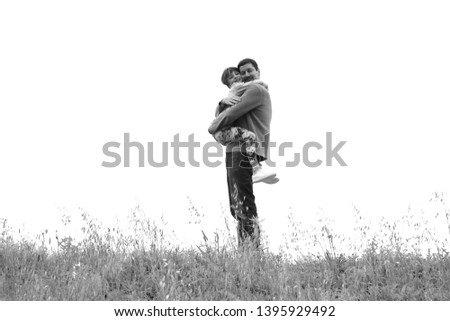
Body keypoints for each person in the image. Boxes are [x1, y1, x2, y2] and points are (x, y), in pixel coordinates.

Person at [208, 58, 273, 248]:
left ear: (258, 72)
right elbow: (225, 110)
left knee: (244, 203)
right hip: (235, 149)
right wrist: (221, 102)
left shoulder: (256, 90)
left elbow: (231, 114)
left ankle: (250, 254)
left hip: (244, 151)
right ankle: (245, 254)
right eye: (241, 72)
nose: (245, 75)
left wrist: (212, 127)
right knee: (237, 204)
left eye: (249, 71)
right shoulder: (243, 90)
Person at [213, 67, 278, 184]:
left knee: (249, 139)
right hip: (222, 132)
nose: (236, 77)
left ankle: (257, 171)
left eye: (237, 74)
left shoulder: (238, 90)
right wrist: (262, 84)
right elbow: (254, 85)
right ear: (228, 84)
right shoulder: (237, 87)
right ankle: (256, 170)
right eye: (231, 77)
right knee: (250, 137)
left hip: (223, 132)